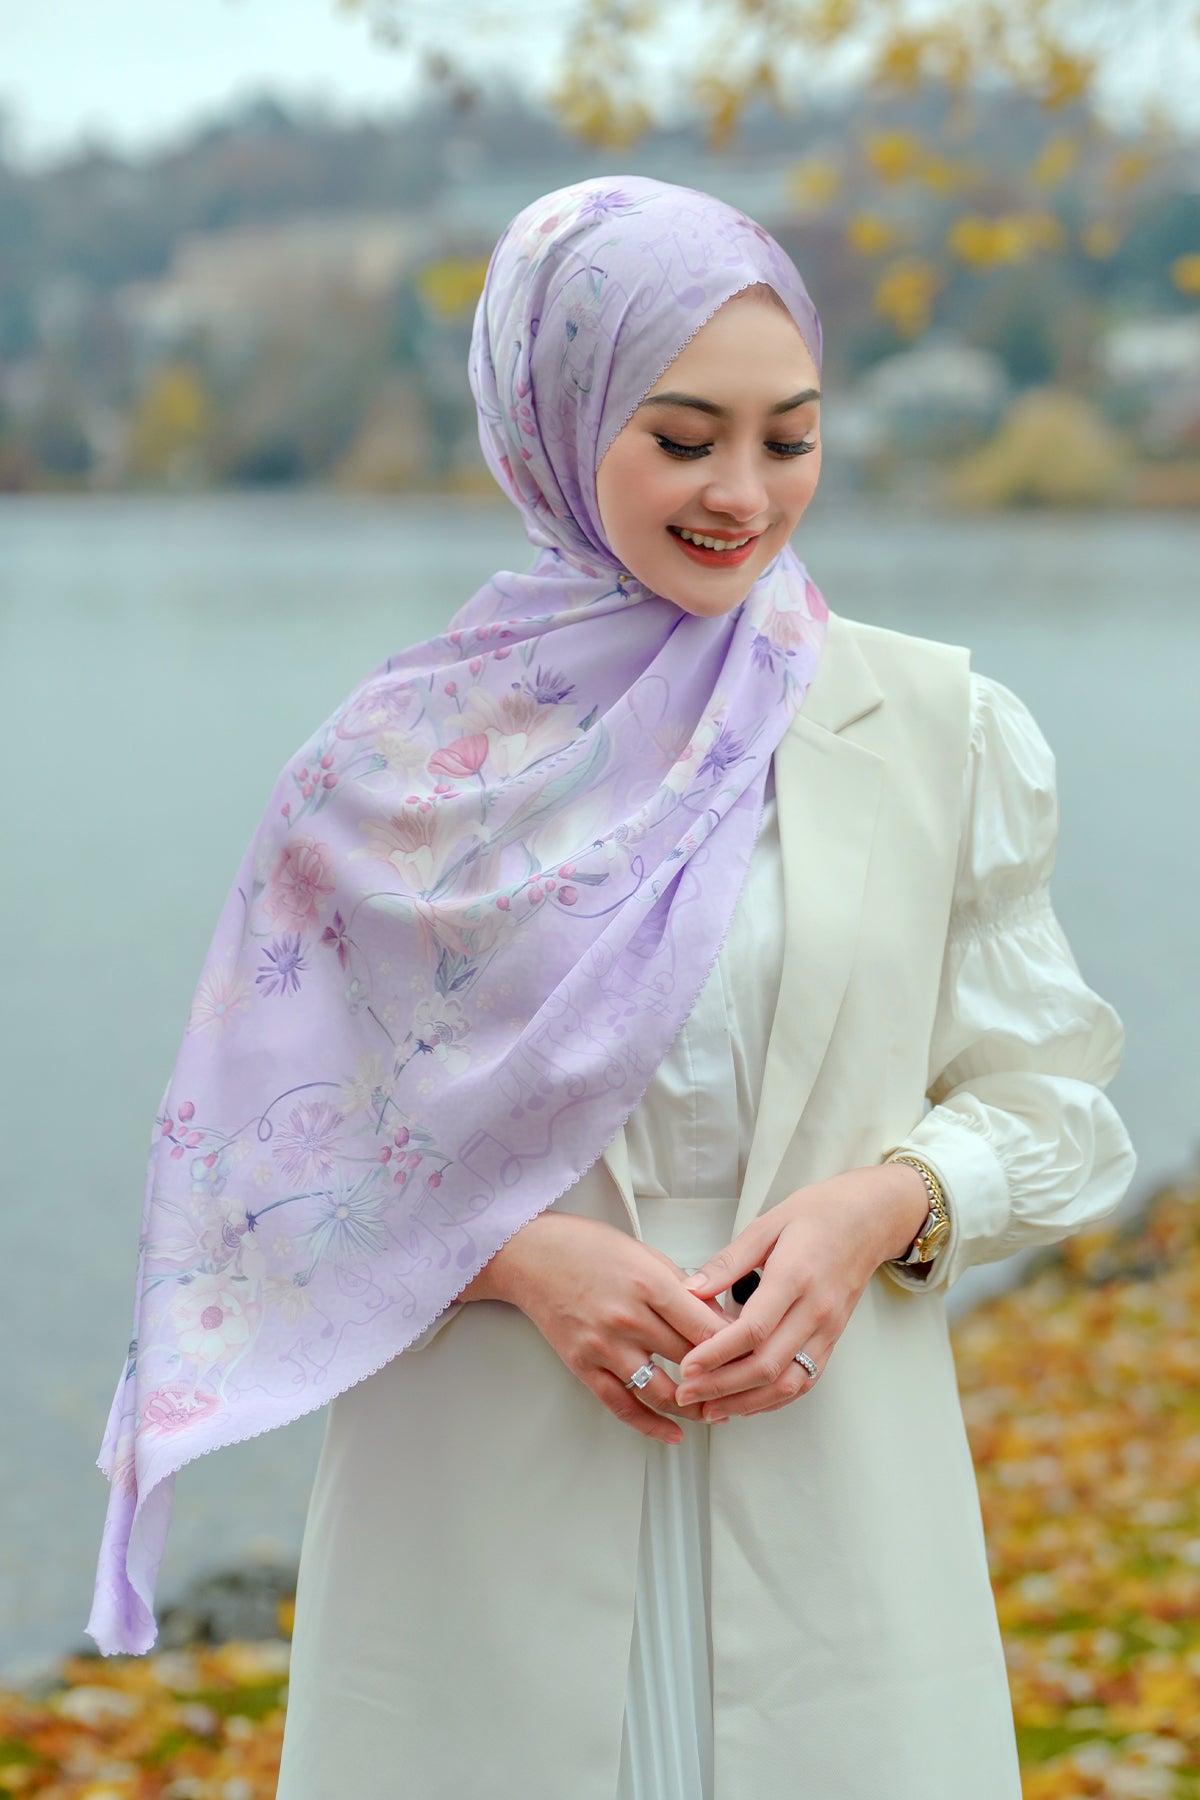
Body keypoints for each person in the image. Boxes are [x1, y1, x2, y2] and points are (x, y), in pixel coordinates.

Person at [88, 177, 1136, 1800]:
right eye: (683, 437)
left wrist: (886, 1206)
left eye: (790, 438)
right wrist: (511, 1259)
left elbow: (1055, 1106)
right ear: (555, 423)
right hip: (479, 1540)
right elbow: (252, 1175)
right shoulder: (391, 782)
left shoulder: (939, 730)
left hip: (840, 1530)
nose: (743, 493)